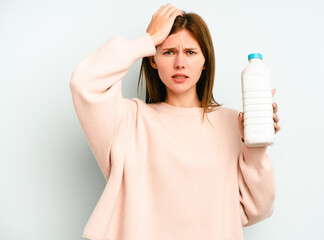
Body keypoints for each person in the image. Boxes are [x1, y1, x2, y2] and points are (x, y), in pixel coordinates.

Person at [70, 4, 281, 240]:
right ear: (153, 59)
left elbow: (258, 209)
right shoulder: (130, 120)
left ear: (205, 61)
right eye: (168, 51)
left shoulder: (234, 124)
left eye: (191, 52)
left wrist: (254, 145)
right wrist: (148, 40)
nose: (180, 63)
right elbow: (84, 82)